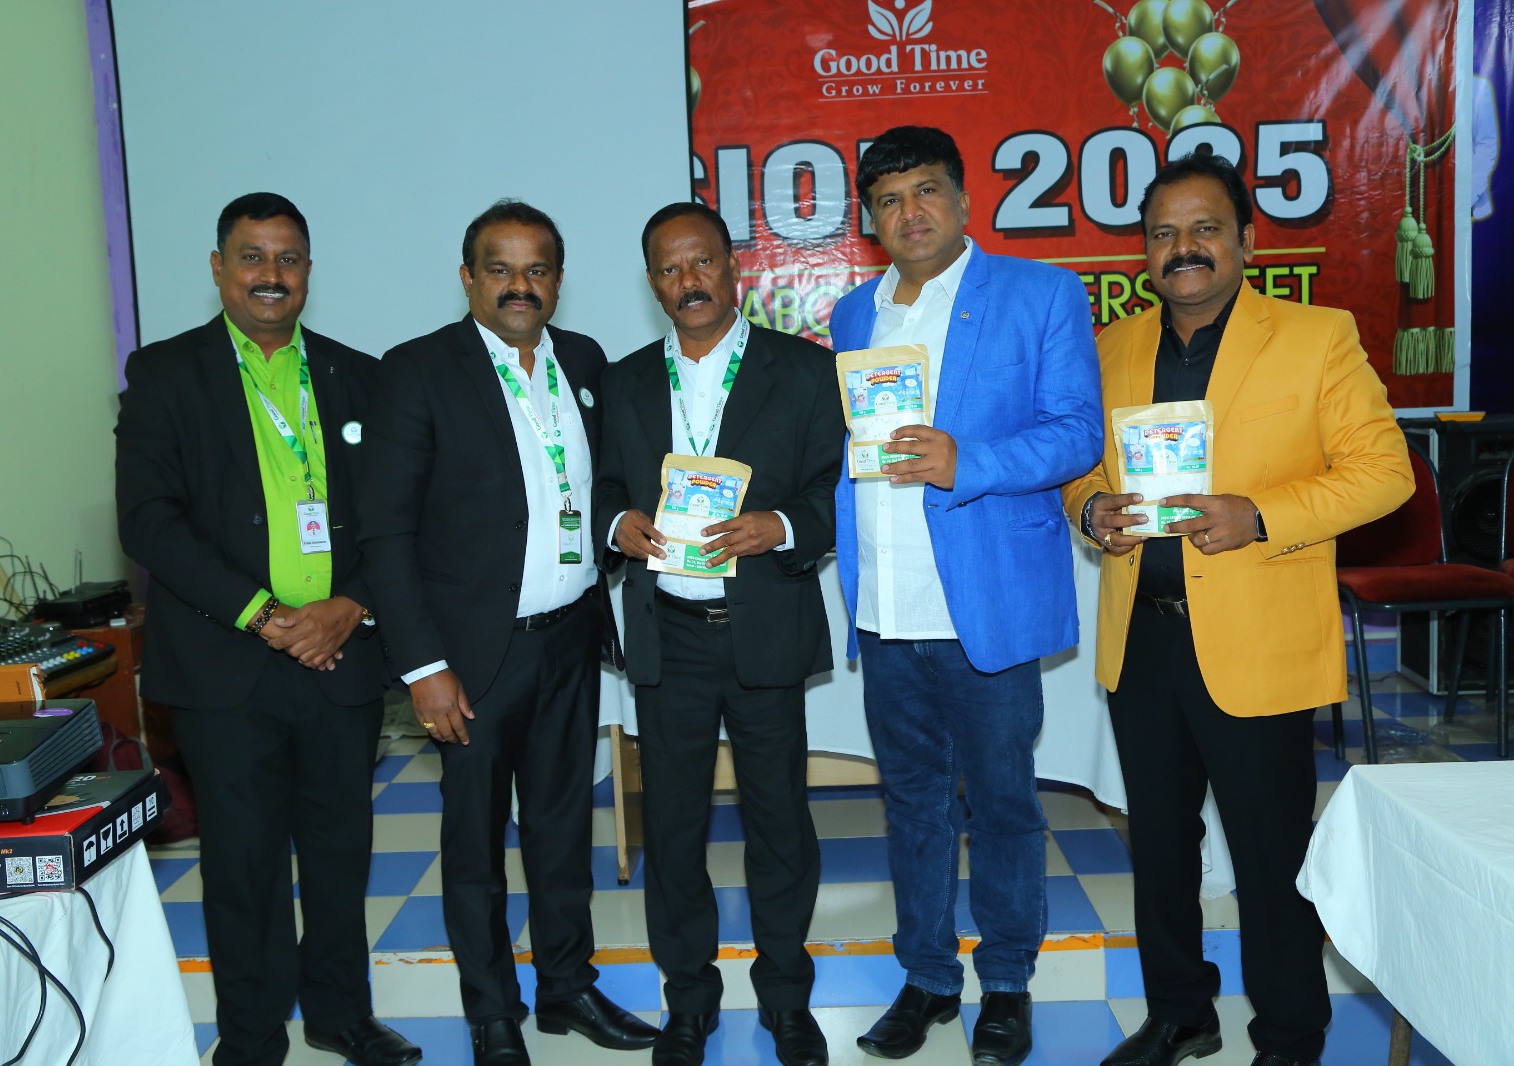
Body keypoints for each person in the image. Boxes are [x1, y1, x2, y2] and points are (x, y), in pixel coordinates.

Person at [1062, 149, 1413, 1066]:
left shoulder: (1316, 336)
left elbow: (1385, 473)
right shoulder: (1112, 346)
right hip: (1142, 639)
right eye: (1163, 233)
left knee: (1270, 856)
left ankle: (1290, 1036)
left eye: (1205, 228)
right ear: (1144, 251)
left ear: (1248, 241)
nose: (1183, 248)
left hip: (1258, 643)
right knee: (1160, 847)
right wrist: (1092, 511)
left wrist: (1257, 515)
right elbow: (1081, 469)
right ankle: (1181, 1013)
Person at [115, 193, 419, 1066]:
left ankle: (341, 1015)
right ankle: (250, 1036)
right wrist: (263, 614)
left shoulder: (360, 375)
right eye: (252, 256)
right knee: (241, 862)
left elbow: (397, 517)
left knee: (339, 851)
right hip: (226, 663)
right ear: (219, 268)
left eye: (288, 258)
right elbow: (149, 520)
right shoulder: (165, 374)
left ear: (309, 271)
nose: (271, 275)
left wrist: (350, 605)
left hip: (339, 656)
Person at [358, 200, 655, 1066]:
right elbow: (386, 532)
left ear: (558, 281)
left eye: (537, 270)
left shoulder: (586, 361)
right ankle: (492, 1011)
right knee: (475, 844)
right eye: (500, 269)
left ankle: (566, 988)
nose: (520, 286)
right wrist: (423, 665)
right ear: (468, 278)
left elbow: (600, 489)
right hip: (472, 658)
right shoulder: (417, 371)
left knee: (562, 829)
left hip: (571, 639)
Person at [830, 126, 1103, 1066]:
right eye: (889, 200)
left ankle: (1009, 983)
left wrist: (968, 461)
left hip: (982, 605)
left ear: (963, 199)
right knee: (911, 808)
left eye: (926, 191)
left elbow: (1078, 433)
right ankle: (928, 978)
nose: (910, 212)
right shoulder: (853, 314)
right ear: (870, 221)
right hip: (885, 607)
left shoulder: (1040, 294)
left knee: (1003, 805)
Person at [594, 202, 842, 1066]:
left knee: (780, 823)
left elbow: (833, 492)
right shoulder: (623, 382)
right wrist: (616, 523)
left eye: (701, 262)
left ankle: (787, 999)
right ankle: (688, 1003)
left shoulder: (804, 370)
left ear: (733, 268)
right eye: (669, 269)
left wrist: (782, 525)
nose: (688, 281)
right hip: (669, 637)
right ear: (652, 283)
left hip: (763, 629)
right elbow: (600, 489)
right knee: (672, 830)